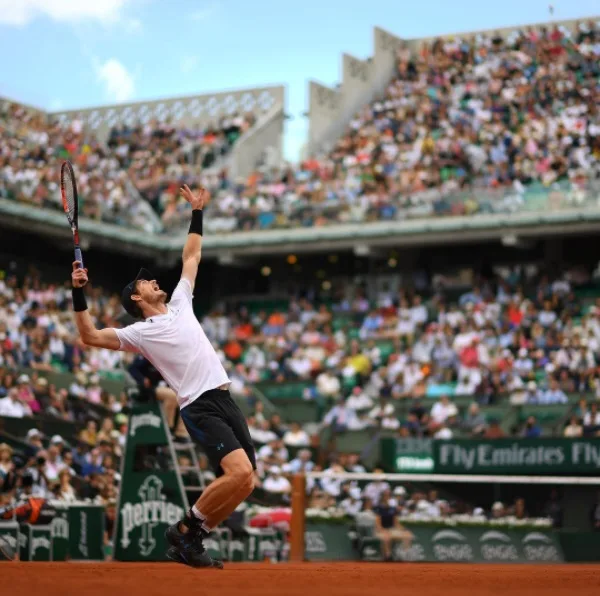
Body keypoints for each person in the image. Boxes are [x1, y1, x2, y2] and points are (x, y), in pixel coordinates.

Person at [70, 185, 256, 569]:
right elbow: (88, 336)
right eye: (144, 282)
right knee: (238, 472)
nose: (153, 280)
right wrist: (79, 294)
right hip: (199, 406)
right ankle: (185, 528)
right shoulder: (138, 333)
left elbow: (192, 254)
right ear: (136, 299)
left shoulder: (181, 302)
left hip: (224, 398)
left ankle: (192, 540)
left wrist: (197, 214)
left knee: (247, 482)